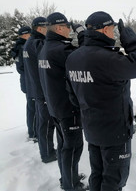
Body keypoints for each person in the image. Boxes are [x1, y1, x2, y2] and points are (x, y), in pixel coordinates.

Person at [65, 11, 136, 191]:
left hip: (92, 128)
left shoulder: (73, 58)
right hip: (115, 133)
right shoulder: (107, 58)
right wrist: (130, 38)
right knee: (114, 180)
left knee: (97, 174)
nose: (114, 34)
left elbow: (73, 96)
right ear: (105, 30)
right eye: (113, 30)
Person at [38, 12, 87, 191]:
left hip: (55, 106)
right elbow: (83, 56)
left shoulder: (46, 47)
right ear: (59, 28)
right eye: (67, 27)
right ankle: (71, 185)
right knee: (72, 148)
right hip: (68, 109)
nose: (69, 31)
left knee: (63, 146)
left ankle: (67, 178)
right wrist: (82, 34)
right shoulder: (60, 50)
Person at [23, 17, 56, 163]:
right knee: (46, 124)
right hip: (42, 90)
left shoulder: (29, 43)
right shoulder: (37, 43)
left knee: (42, 123)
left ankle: (46, 151)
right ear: (41, 28)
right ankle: (47, 153)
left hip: (36, 89)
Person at [11, 26, 37, 141]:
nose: (31, 36)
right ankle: (33, 132)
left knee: (31, 107)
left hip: (27, 81)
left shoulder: (19, 47)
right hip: (29, 81)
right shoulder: (22, 48)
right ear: (24, 35)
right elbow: (22, 68)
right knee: (33, 108)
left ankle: (33, 130)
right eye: (29, 34)